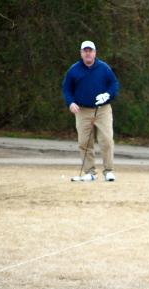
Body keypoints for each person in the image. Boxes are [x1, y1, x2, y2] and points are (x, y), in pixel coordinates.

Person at [62, 40, 119, 182]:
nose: (88, 53)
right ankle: (90, 172)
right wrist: (70, 103)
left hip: (103, 109)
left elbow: (114, 84)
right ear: (81, 53)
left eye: (90, 51)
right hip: (82, 110)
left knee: (106, 140)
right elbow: (67, 89)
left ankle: (108, 171)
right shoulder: (74, 70)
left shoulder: (104, 68)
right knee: (84, 141)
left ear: (95, 53)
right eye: (85, 51)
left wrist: (108, 94)